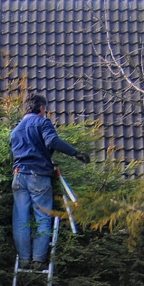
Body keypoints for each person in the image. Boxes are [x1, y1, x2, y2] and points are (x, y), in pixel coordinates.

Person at [10, 95, 89, 268]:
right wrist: (75, 153)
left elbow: (26, 151)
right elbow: (52, 141)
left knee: (20, 219)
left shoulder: (15, 130)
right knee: (43, 217)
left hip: (18, 176)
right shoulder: (42, 122)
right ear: (41, 109)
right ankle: (38, 260)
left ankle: (23, 260)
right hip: (37, 176)